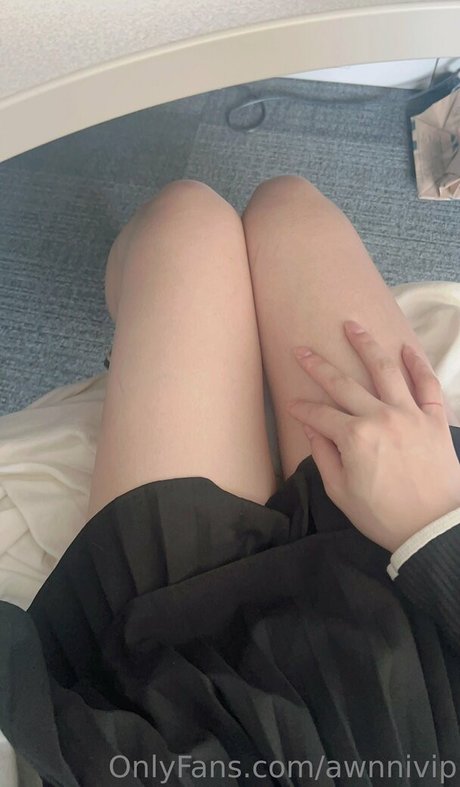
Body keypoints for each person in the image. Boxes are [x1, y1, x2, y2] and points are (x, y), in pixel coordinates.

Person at [1, 175, 460, 787]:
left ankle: (134, 328)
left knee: (183, 223)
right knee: (288, 209)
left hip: (187, 674)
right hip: (416, 614)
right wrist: (435, 523)